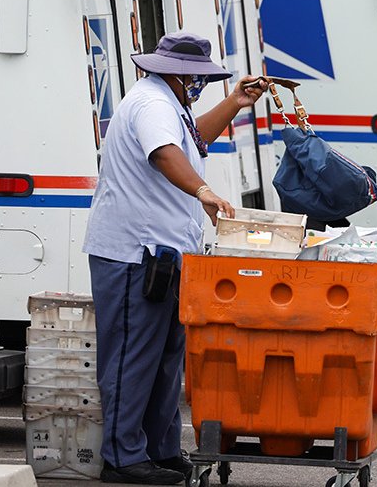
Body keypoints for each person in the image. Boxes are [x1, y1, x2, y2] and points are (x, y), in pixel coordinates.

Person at [83, 32, 265, 485]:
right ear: (180, 74)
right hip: (134, 253)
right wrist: (203, 191)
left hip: (161, 253)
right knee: (132, 356)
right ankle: (124, 458)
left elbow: (191, 139)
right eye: (197, 78)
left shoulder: (167, 103)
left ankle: (159, 450)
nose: (199, 85)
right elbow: (165, 154)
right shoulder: (152, 105)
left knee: (164, 358)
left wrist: (234, 103)